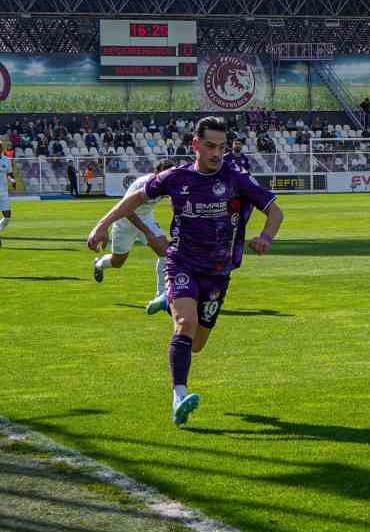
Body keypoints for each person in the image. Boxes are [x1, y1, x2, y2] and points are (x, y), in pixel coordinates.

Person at [86, 117, 285, 426]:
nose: (216, 153)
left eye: (220, 146)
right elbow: (134, 199)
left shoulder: (237, 179)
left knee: (198, 344)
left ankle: (170, 301)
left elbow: (275, 210)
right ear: (195, 143)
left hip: (218, 271)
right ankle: (179, 395)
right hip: (183, 262)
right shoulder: (175, 177)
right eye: (209, 146)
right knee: (185, 322)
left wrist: (265, 237)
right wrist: (101, 226)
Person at [93, 159, 175, 306]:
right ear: (156, 173)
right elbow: (127, 210)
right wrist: (147, 232)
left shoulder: (170, 183)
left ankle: (161, 296)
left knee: (166, 252)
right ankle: (100, 264)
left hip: (147, 219)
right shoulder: (142, 184)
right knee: (118, 262)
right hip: (125, 221)